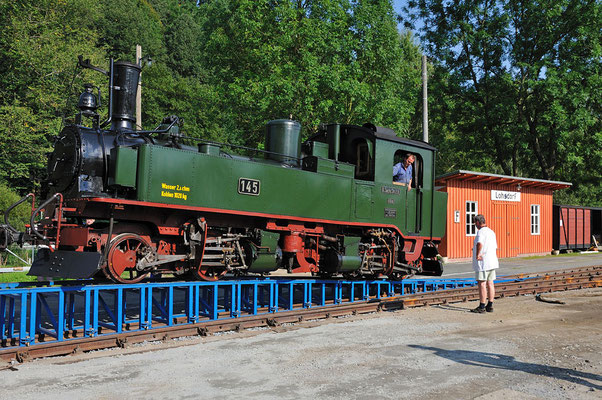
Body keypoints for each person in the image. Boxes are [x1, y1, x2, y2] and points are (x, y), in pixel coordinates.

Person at [471, 214, 499, 313]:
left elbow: (480, 243)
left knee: (482, 283)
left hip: (483, 262)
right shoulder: (492, 232)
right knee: (490, 283)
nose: (475, 225)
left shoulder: (480, 232)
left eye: (475, 223)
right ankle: (490, 305)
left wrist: (477, 254)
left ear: (478, 223)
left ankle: (482, 306)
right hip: (492, 261)